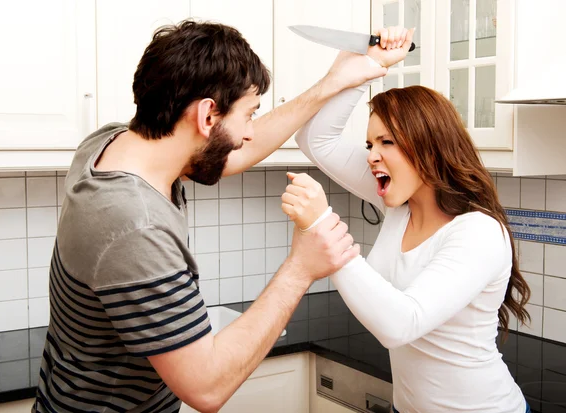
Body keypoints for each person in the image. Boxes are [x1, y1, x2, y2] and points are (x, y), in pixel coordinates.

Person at [31, 19, 410, 413]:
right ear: (207, 116)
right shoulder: (135, 226)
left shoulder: (112, 145)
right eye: (248, 115)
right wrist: (301, 267)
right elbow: (206, 388)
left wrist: (334, 82)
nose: (249, 133)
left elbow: (232, 151)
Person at [282, 28, 532, 413]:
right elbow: (316, 140)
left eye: (387, 142)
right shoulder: (400, 205)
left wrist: (322, 229)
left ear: (429, 148)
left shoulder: (478, 232)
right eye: (369, 144)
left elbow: (402, 323)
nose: (371, 156)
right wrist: (368, 67)